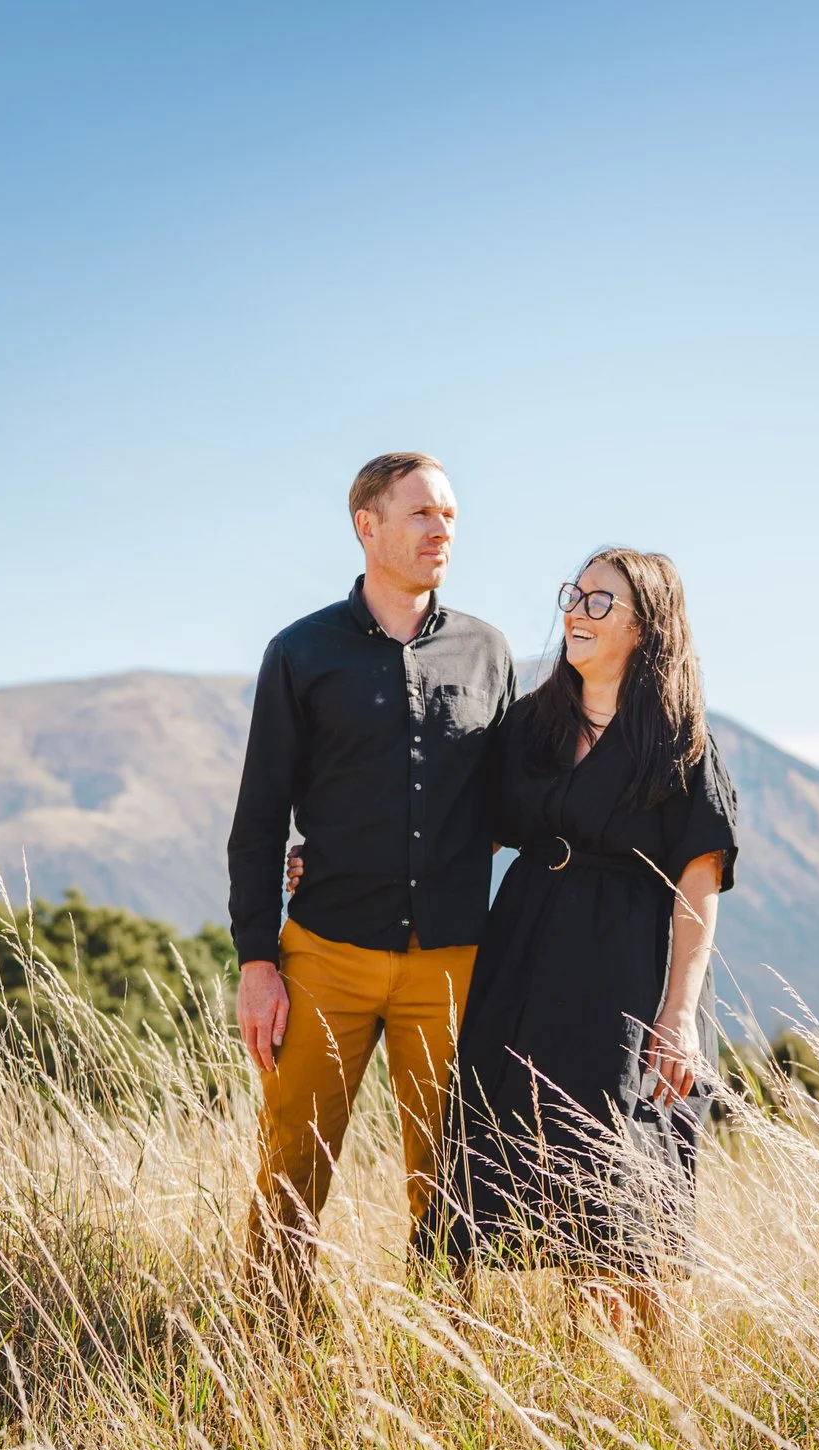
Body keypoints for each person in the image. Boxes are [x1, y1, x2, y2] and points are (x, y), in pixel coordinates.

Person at [420, 545, 738, 1336]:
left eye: (600, 601)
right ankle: (483, 1356)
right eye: (574, 595)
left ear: (646, 624)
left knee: (620, 1168)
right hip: (523, 953)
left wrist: (680, 1014)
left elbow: (699, 880)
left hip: (620, 968)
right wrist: (333, 855)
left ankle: (651, 1372)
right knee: (501, 1147)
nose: (576, 611)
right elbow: (463, 827)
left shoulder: (677, 737)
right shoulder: (532, 723)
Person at [226, 452, 517, 1312]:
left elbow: (510, 804)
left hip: (455, 960)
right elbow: (258, 816)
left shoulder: (488, 651)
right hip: (327, 954)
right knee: (293, 1164)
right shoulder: (301, 652)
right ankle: (264, 1355)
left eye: (452, 517)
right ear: (368, 525)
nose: (441, 531)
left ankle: (449, 1360)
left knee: (453, 1177)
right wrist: (255, 959)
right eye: (423, 513)